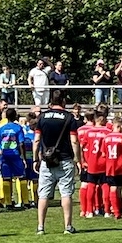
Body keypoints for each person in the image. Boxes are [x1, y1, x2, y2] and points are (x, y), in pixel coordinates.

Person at [34, 89, 80, 234]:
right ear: (64, 101)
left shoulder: (42, 117)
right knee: (66, 193)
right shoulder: (69, 117)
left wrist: (35, 159)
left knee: (43, 194)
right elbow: (74, 141)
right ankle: (68, 226)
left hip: (47, 160)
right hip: (65, 159)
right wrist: (77, 160)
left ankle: (40, 227)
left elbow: (36, 140)